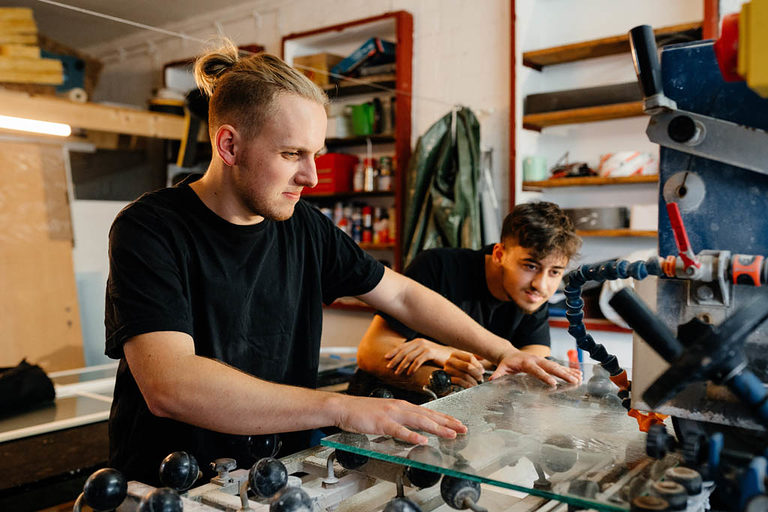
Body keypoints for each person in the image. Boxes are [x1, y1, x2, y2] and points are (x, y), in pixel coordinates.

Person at [104, 41, 580, 485]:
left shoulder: (304, 226)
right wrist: (342, 408)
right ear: (229, 146)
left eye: (316, 155)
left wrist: (504, 350)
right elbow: (171, 385)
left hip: (275, 474)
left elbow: (400, 293)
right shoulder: (150, 229)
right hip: (170, 482)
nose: (311, 176)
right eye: (292, 153)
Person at [352, 202, 581, 402]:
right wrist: (470, 362)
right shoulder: (438, 267)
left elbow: (534, 360)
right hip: (380, 412)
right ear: (500, 254)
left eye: (554, 272)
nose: (541, 285)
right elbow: (370, 352)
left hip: (452, 420)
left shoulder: (532, 295)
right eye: (530, 266)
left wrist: (444, 353)